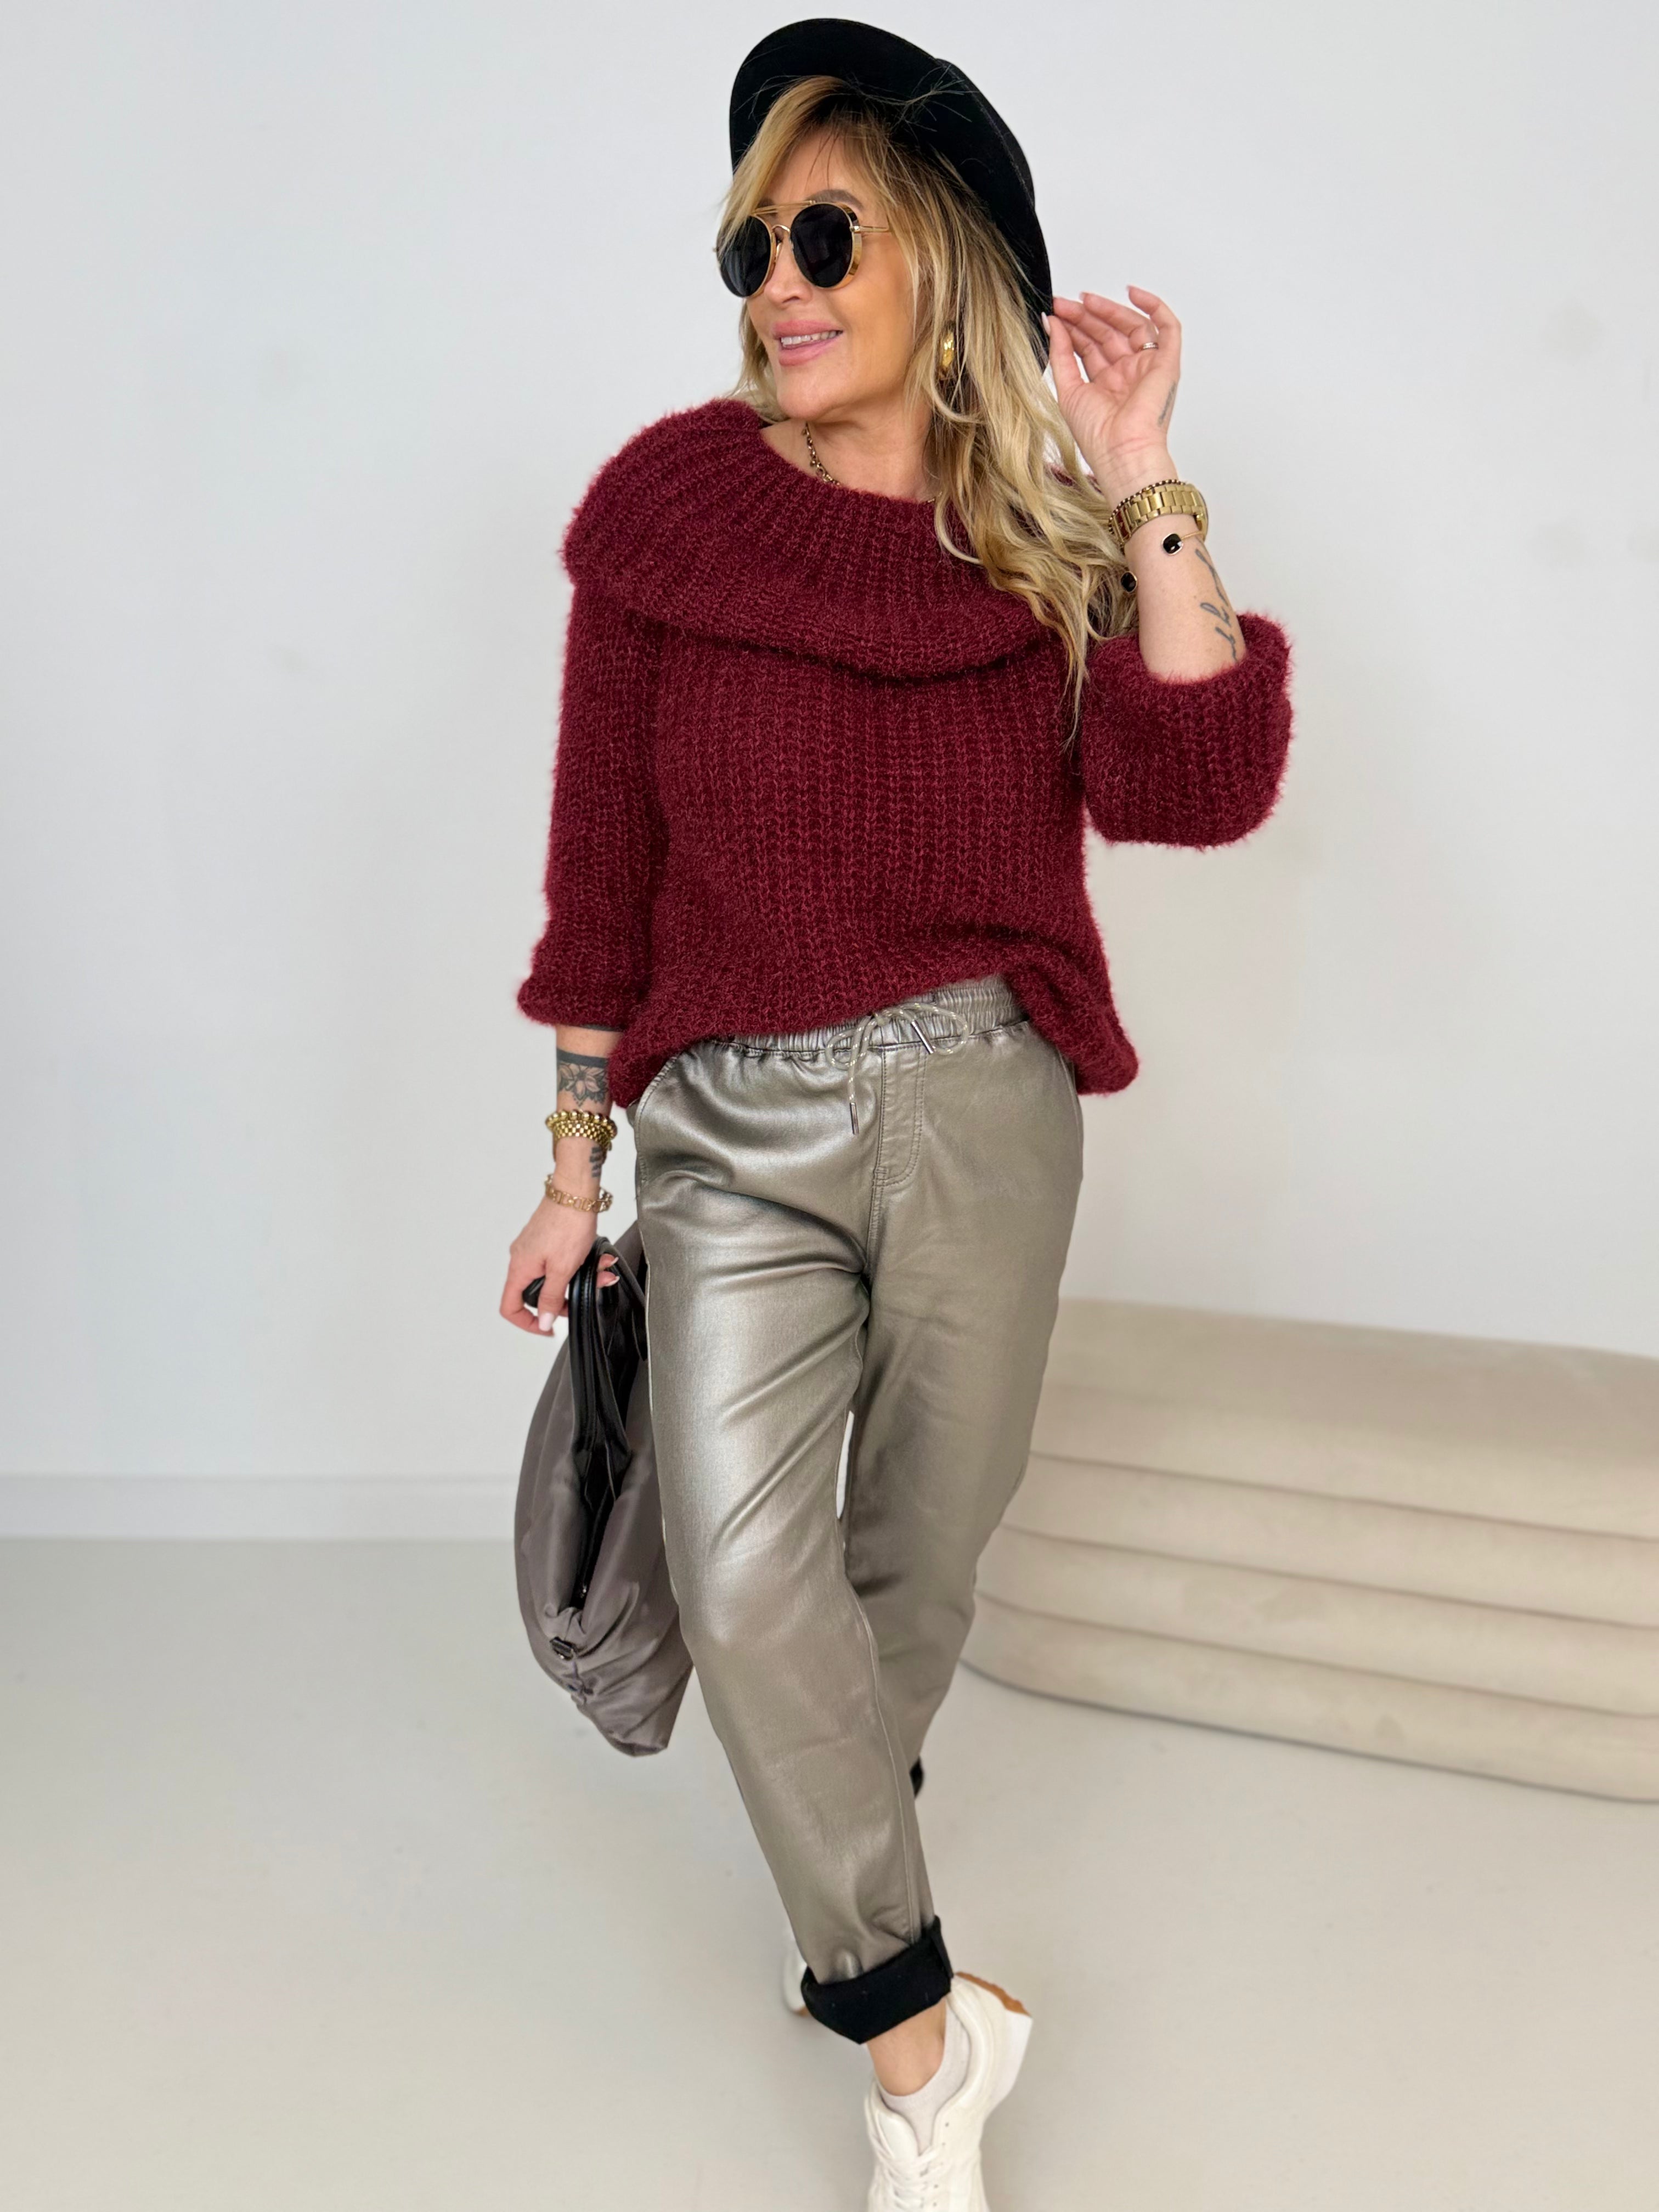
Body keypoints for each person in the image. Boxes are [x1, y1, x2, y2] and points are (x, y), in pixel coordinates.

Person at [500, 19, 1294, 2204]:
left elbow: (1198, 784)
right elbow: (600, 875)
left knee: (910, 1571)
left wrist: (1145, 475)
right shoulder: (668, 515)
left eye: (825, 236)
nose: (781, 281)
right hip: (729, 1132)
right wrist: (573, 1164)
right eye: (752, 244)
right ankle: (926, 2048)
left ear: (941, 257)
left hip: (983, 1112)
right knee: (750, 1577)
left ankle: (855, 1922)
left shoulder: (1034, 538)